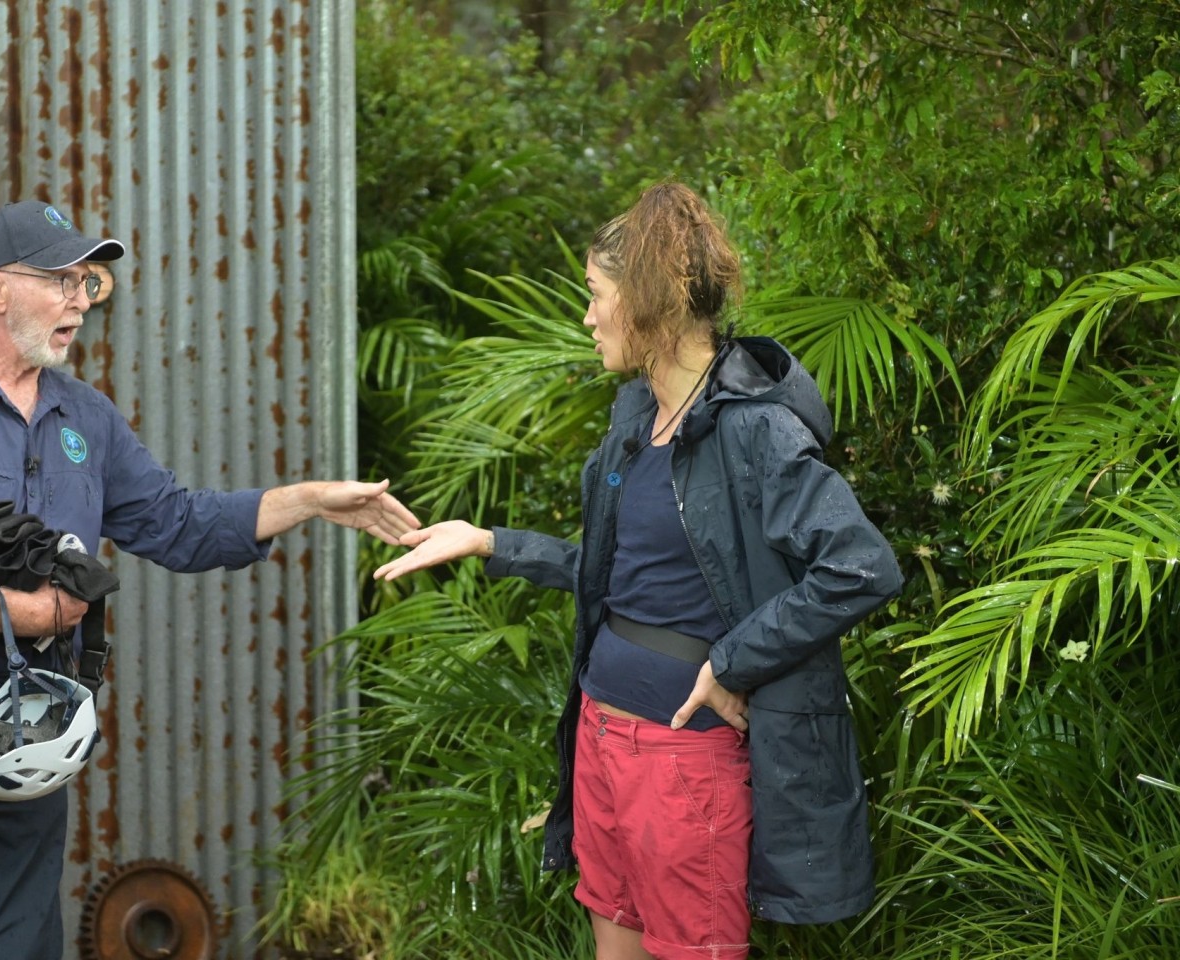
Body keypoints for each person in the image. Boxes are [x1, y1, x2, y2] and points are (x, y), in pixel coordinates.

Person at [0, 199, 421, 960]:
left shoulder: (88, 419)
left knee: (14, 939)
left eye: (88, 283)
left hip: (32, 718)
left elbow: (177, 523)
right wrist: (21, 612)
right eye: (61, 280)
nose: (81, 300)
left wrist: (308, 501)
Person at [374, 181, 902, 960]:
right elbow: (618, 574)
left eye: (595, 296)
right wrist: (490, 541)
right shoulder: (636, 417)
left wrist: (733, 661)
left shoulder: (757, 432)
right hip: (600, 731)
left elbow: (861, 567)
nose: (586, 318)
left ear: (648, 301)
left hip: (683, 762)